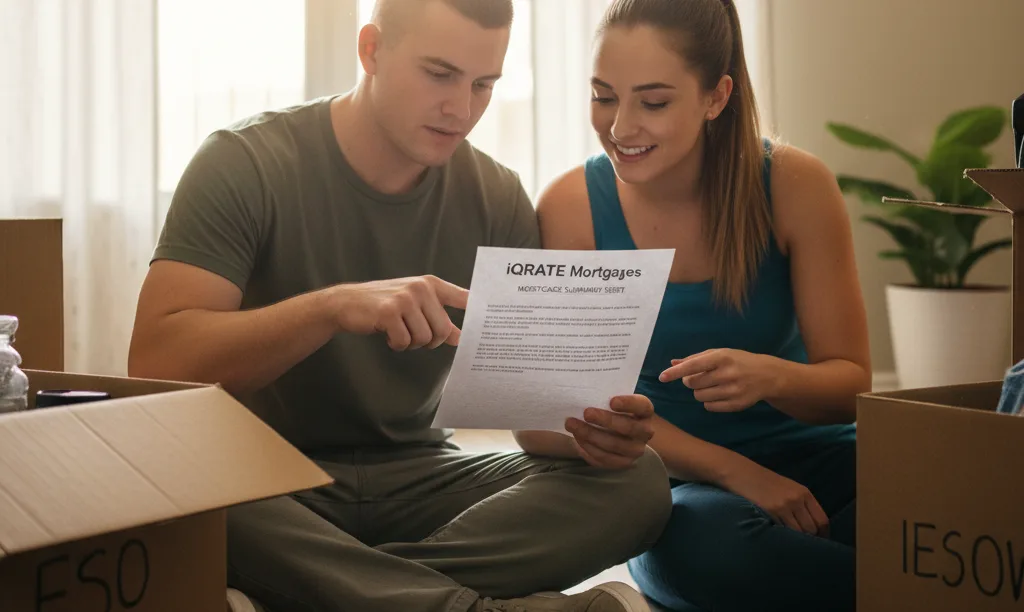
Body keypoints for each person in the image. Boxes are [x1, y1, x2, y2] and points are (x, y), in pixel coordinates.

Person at [127, 1, 671, 611]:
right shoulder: (243, 162)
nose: (462, 109)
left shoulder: (497, 197)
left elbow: (531, 425)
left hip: (420, 479)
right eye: (439, 74)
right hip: (267, 484)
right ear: (371, 51)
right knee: (165, 479)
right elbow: (154, 368)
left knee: (640, 481)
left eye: (484, 84)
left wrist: (593, 435)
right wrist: (331, 308)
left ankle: (327, 592)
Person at [535, 0, 871, 611]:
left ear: (716, 97)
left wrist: (770, 376)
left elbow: (850, 385)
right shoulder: (571, 207)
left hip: (823, 460)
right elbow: (568, 408)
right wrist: (735, 471)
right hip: (681, 481)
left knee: (940, 502)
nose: (620, 126)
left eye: (653, 102)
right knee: (701, 552)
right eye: (604, 96)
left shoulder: (796, 184)